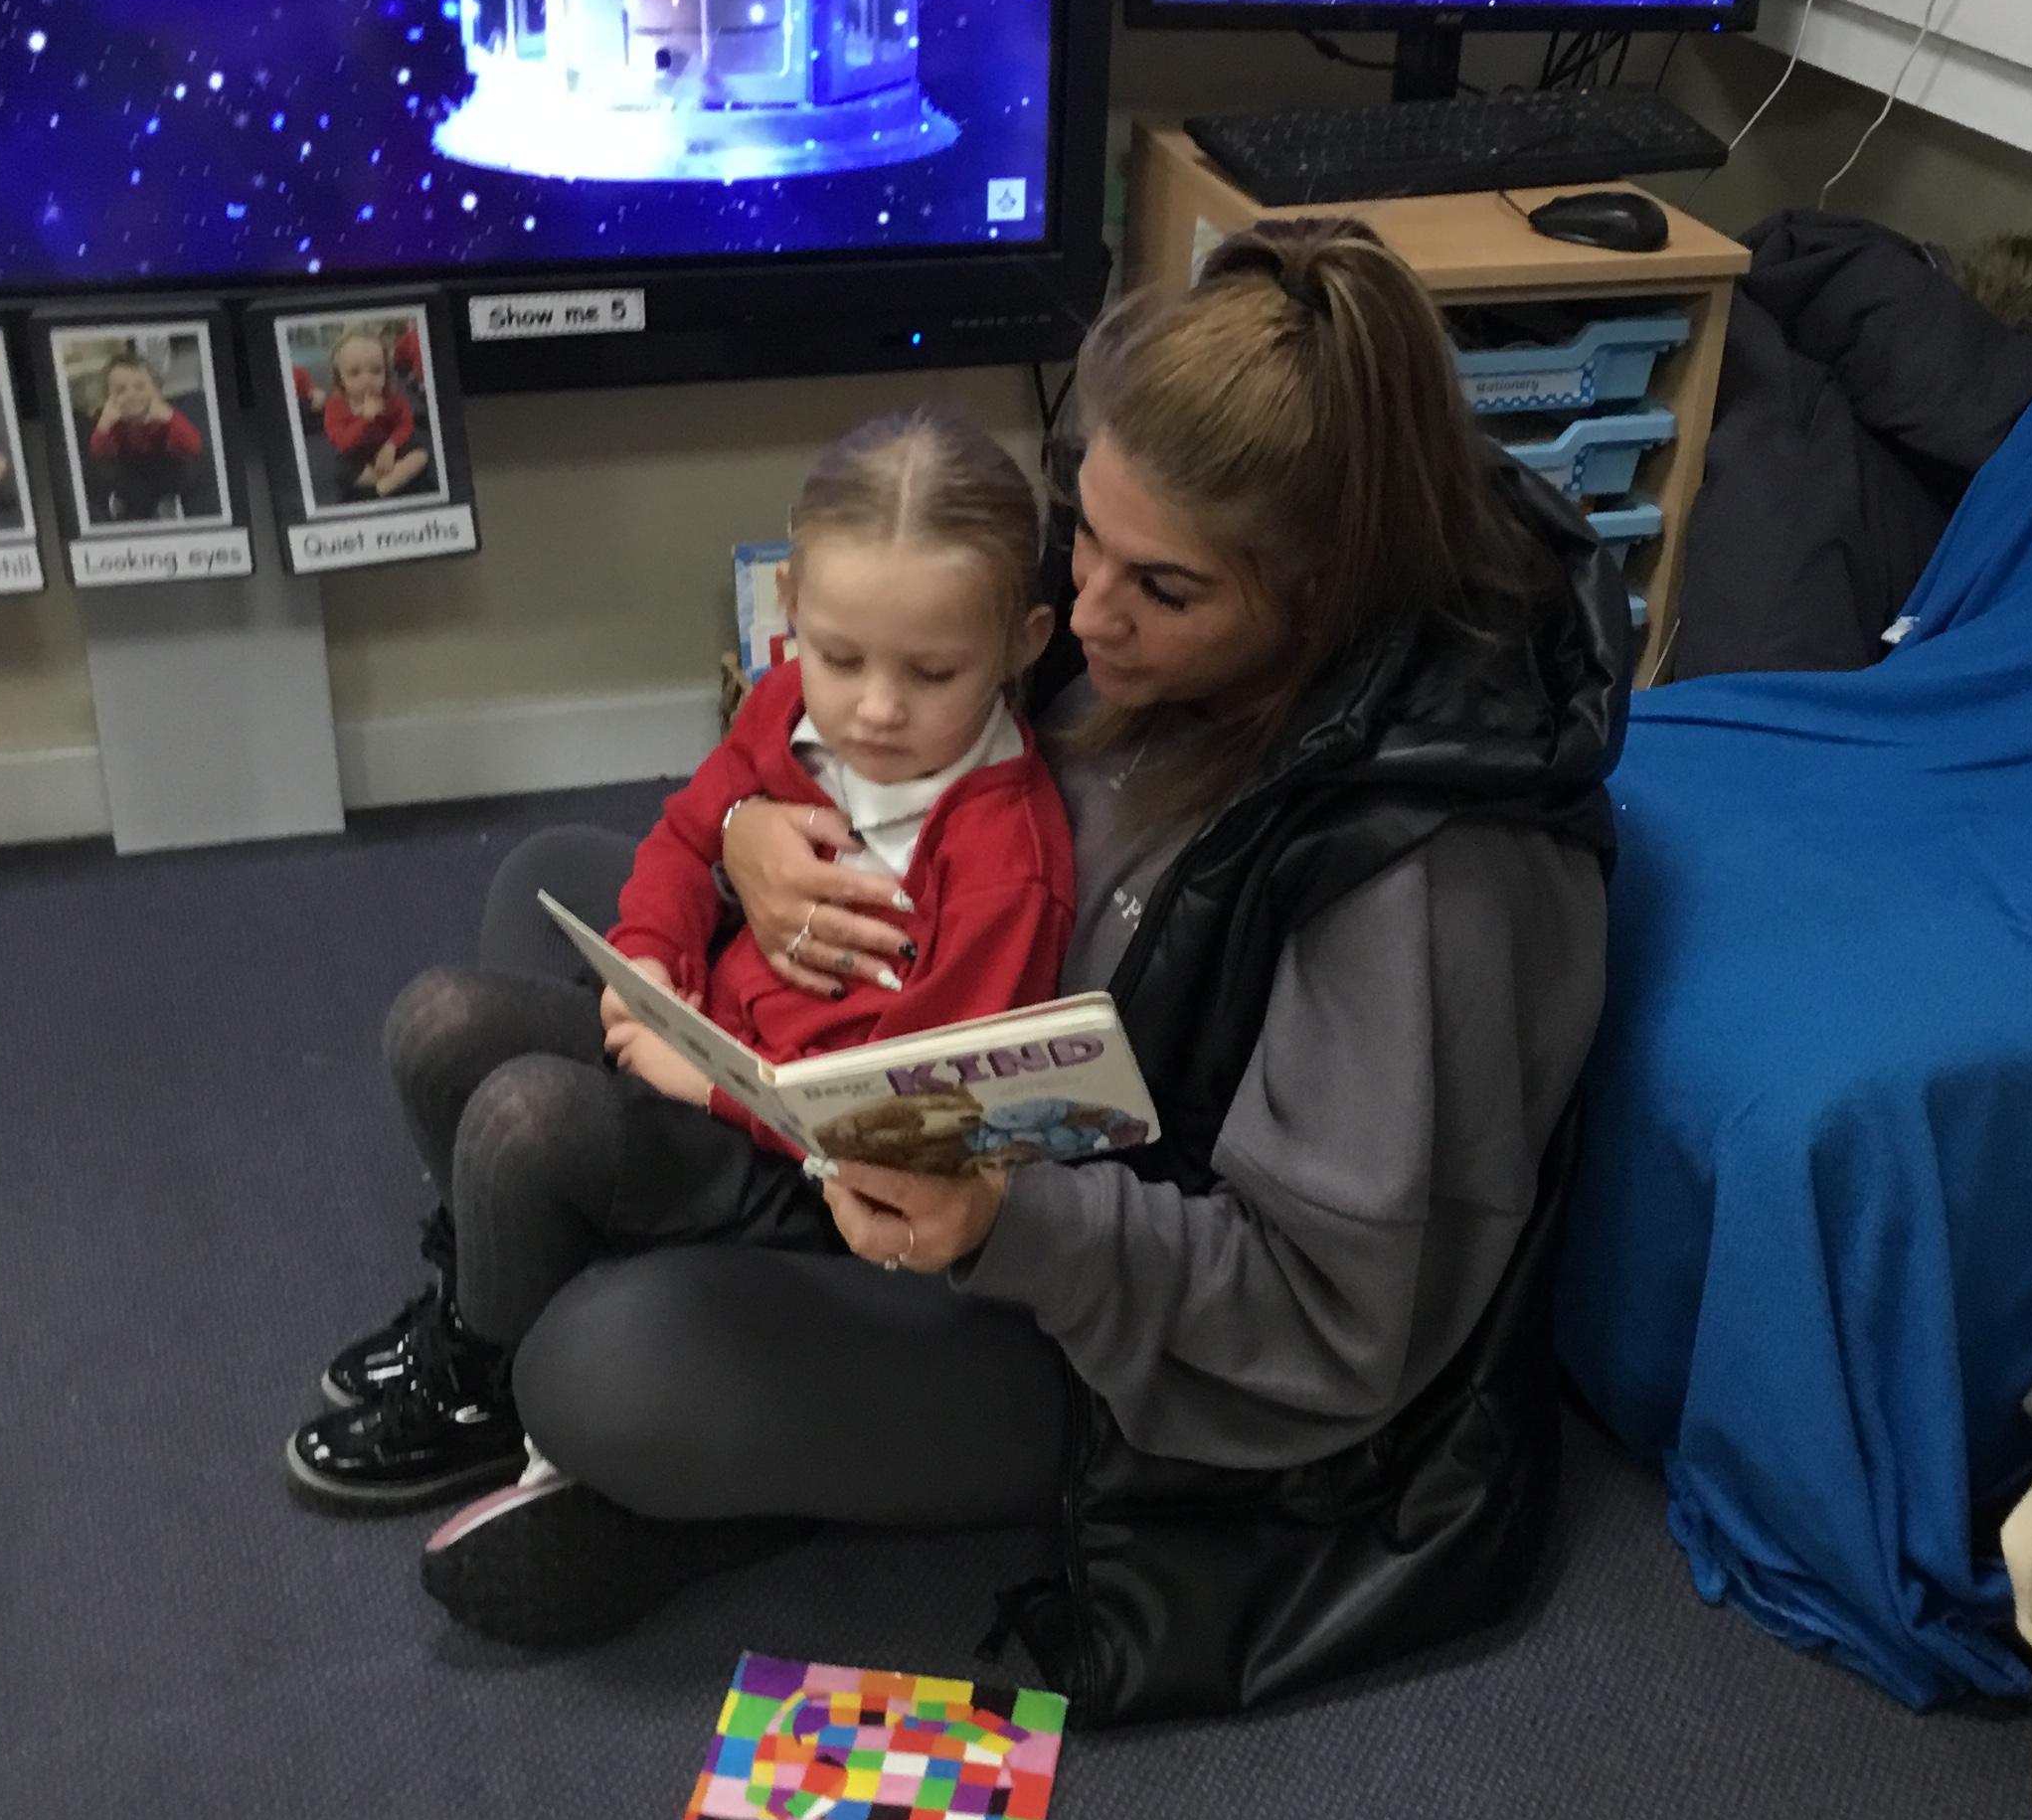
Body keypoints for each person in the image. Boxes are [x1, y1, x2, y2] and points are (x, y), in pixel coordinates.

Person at [407, 218, 1629, 1721]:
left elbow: (1329, 1328)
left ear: (1322, 597)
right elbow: (865, 733)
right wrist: (743, 836)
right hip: (911, 1070)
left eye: (1161, 589)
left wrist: (1004, 1222)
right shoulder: (1146, 591)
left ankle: (698, 1409)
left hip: (1091, 1324)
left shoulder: (1425, 883)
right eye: (1083, 536)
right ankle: (675, 1307)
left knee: (602, 1367)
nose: (1086, 612)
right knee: (545, 878)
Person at [288, 410, 1069, 1505]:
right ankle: (489, 1290)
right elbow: (687, 837)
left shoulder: (1002, 863)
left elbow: (914, 1116)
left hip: (804, 1171)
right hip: (705, 1044)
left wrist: (705, 1081)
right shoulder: (788, 705)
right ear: (792, 607)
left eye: (934, 672)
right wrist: (648, 964)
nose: (878, 709)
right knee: (437, 1020)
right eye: (842, 657)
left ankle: (489, 1387)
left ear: (1024, 644)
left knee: (525, 1123)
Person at [300, 322, 435, 503]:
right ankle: (391, 480)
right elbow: (342, 443)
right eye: (355, 373)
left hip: (389, 448)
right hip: (357, 453)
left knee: (422, 453)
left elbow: (405, 424)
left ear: (386, 372)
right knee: (341, 472)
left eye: (376, 370)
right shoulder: (335, 406)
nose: (367, 380)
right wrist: (364, 419)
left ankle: (383, 486)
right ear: (340, 378)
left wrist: (391, 445)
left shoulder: (391, 398)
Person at [84, 353, 209, 523]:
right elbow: (99, 451)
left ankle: (170, 504)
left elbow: (193, 445)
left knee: (189, 467)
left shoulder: (164, 415)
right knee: (120, 477)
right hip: (132, 471)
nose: (131, 394)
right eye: (121, 390)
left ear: (156, 390)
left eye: (140, 387)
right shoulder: (111, 421)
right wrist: (105, 424)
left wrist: (169, 417)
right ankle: (128, 506)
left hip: (166, 464)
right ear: (108, 400)